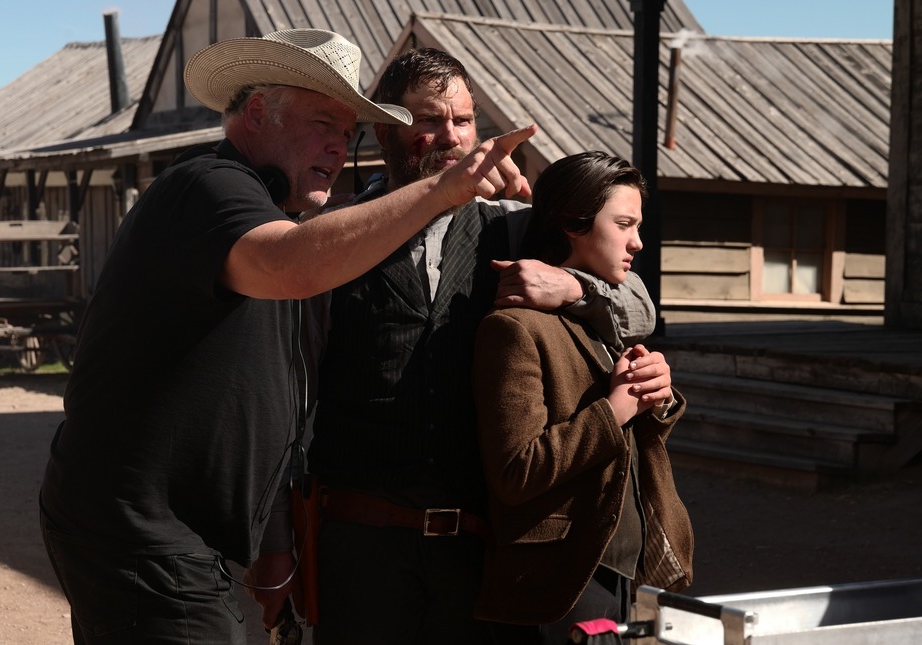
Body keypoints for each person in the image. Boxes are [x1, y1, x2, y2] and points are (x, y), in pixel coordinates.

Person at [38, 29, 537, 645]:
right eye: (323, 123)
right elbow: (289, 265)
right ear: (256, 114)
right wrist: (442, 190)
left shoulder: (276, 213)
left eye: (346, 132)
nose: (337, 146)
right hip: (147, 533)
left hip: (174, 536)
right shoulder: (210, 185)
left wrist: (272, 536)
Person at [304, 49, 655, 645]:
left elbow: (641, 308)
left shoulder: (513, 227)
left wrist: (573, 287)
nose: (451, 136)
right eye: (429, 120)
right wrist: (277, 542)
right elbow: (293, 392)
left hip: (481, 546)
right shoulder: (335, 234)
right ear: (385, 131)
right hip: (360, 546)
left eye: (463, 120)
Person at [472, 151, 694, 644]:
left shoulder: (603, 319)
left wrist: (655, 397)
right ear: (574, 222)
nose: (637, 241)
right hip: (557, 579)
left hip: (618, 567)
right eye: (624, 224)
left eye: (638, 226)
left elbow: (626, 443)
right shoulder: (514, 328)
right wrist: (617, 408)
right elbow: (517, 471)